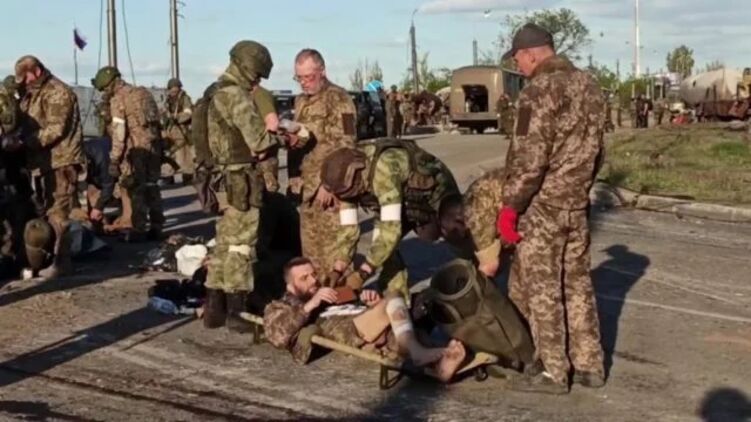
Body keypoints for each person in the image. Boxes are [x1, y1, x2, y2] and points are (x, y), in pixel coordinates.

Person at [496, 23, 606, 394]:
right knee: (577, 283)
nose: (519, 67)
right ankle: (589, 364)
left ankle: (554, 370)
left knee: (543, 288)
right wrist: (581, 186)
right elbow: (599, 151)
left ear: (530, 54)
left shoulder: (537, 91)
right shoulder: (589, 85)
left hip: (542, 206)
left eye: (518, 59)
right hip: (577, 202)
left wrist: (510, 207)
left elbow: (530, 159)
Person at [263, 257, 466, 381]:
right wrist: (310, 304)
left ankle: (441, 368)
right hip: (348, 330)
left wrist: (371, 303)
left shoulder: (327, 293)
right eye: (304, 278)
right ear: (290, 285)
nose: (313, 280)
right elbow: (277, 335)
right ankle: (420, 353)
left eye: (313, 274)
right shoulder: (280, 307)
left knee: (410, 326)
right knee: (394, 296)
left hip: (366, 323)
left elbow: (354, 301)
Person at [202, 40, 281, 333]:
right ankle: (237, 310)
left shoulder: (213, 92)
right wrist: (285, 135)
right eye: (257, 75)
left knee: (223, 242)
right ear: (247, 67)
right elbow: (259, 141)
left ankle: (214, 307)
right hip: (241, 181)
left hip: (221, 178)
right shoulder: (235, 95)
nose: (258, 81)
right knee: (241, 245)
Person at [320, 139, 459, 298]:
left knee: (455, 228)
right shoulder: (345, 185)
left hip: (434, 195)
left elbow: (390, 232)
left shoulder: (384, 169)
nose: (345, 198)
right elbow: (348, 230)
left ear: (357, 175)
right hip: (398, 201)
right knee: (383, 250)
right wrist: (338, 269)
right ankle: (396, 297)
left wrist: (363, 273)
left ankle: (475, 267)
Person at [283, 49, 357, 283]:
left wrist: (330, 184)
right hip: (306, 189)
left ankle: (343, 297)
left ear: (322, 71)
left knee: (335, 253)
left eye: (308, 77)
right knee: (311, 256)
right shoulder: (301, 101)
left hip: (328, 189)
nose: (304, 83)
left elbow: (347, 145)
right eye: (299, 78)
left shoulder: (339, 99)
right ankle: (317, 296)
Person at [16, 55, 84, 278]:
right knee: (49, 212)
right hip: (45, 162)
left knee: (60, 214)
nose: (24, 83)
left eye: (25, 78)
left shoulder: (57, 92)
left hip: (61, 162)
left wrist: (24, 142)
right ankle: (48, 259)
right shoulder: (34, 94)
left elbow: (56, 129)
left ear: (35, 71)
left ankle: (62, 262)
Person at [91, 66, 165, 242]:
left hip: (136, 150)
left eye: (104, 89)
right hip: (153, 146)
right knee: (152, 186)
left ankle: (138, 229)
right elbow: (157, 123)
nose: (104, 93)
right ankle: (157, 226)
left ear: (109, 85)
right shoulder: (143, 93)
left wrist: (114, 159)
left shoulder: (118, 100)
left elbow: (119, 133)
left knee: (136, 188)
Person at [438, 168, 505, 279]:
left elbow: (490, 268)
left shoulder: (476, 220)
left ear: (459, 220)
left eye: (445, 229)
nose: (443, 235)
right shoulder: (473, 193)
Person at [161, 78, 194, 184]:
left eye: (175, 89)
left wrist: (176, 117)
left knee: (184, 156)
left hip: (182, 131)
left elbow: (188, 114)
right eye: (171, 89)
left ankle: (187, 176)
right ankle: (168, 176)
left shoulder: (185, 99)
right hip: (169, 131)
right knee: (168, 154)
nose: (173, 91)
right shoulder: (167, 100)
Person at [253, 85, 281, 193]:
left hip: (264, 159)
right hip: (259, 156)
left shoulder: (260, 94)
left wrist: (261, 151)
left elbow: (272, 123)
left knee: (266, 194)